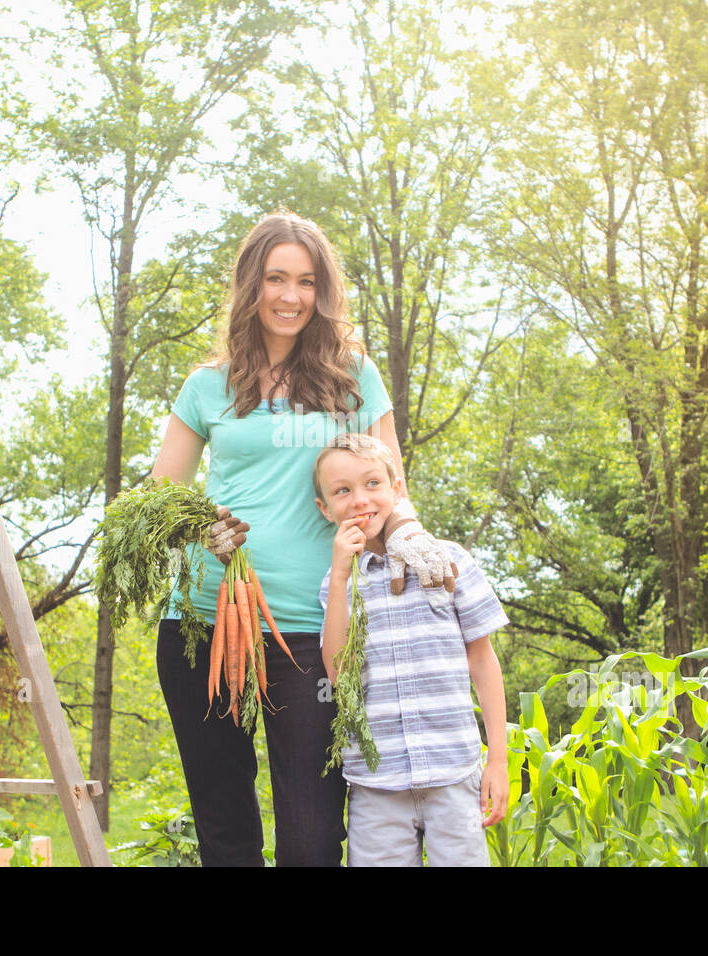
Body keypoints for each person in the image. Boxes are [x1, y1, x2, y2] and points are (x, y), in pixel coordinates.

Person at [148, 210, 456, 866]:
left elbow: (391, 482)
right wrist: (201, 528)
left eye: (307, 281)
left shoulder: (352, 376)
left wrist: (412, 538)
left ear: (323, 292)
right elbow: (158, 498)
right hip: (205, 622)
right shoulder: (208, 385)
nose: (291, 296)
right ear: (250, 285)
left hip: (315, 631)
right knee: (225, 827)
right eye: (276, 278)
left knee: (313, 838)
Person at [315, 432, 509, 866]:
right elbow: (339, 676)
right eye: (342, 491)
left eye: (372, 484)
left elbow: (483, 660)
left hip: (454, 773)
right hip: (377, 785)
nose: (360, 499)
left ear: (396, 488)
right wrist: (344, 576)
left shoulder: (448, 558)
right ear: (325, 509)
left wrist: (497, 761)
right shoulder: (337, 585)